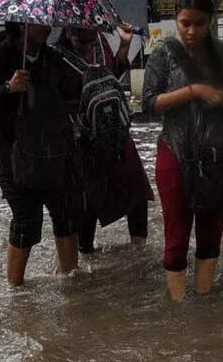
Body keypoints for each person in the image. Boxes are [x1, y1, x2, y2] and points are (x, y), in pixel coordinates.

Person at [0, 22, 83, 286]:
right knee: (27, 218)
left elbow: (71, 95)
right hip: (10, 151)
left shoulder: (52, 58)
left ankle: (72, 284)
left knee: (65, 213)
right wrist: (7, 88)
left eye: (48, 22)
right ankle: (16, 293)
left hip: (50, 148)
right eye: (39, 23)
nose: (47, 26)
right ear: (22, 23)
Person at [142, 0, 223, 301]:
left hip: (214, 155)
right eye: (185, 23)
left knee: (211, 232)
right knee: (177, 233)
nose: (192, 31)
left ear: (210, 22)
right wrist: (193, 91)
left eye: (199, 23)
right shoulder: (163, 53)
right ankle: (179, 308)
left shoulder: (218, 52)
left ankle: (204, 306)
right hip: (175, 152)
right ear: (176, 20)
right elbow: (149, 103)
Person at [59, 25, 154, 254]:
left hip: (117, 132)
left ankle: (139, 251)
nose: (88, 46)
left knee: (136, 192)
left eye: (92, 40)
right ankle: (85, 254)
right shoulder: (57, 58)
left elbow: (114, 72)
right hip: (84, 141)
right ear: (69, 33)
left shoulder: (101, 44)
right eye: (82, 42)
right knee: (88, 201)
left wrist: (125, 44)